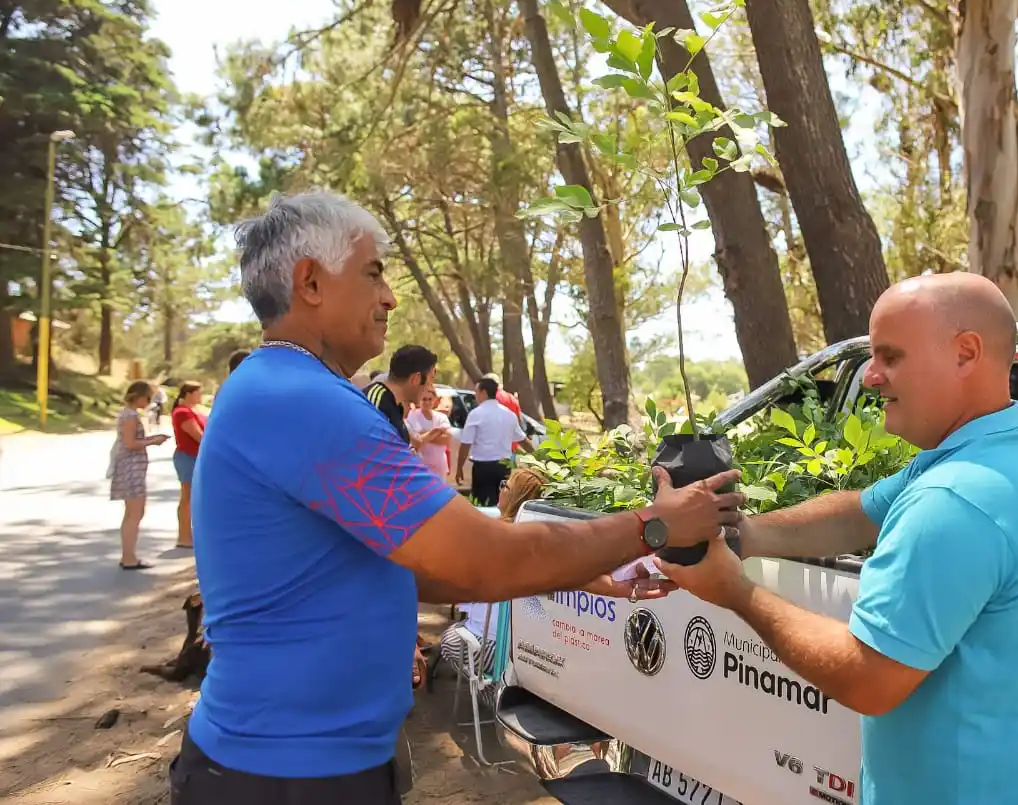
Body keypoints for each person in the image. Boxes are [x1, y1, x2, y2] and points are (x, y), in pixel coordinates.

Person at [174, 190, 743, 805]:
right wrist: (654, 525)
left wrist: (592, 572)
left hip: (290, 763)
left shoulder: (276, 387)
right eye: (373, 273)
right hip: (284, 776)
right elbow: (484, 560)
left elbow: (412, 565)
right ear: (310, 281)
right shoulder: (305, 401)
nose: (389, 297)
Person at [659, 272, 1018, 805]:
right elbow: (859, 514)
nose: (871, 376)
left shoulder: (955, 499)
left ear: (966, 353)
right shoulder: (1003, 451)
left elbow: (868, 678)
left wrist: (734, 590)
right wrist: (745, 534)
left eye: (891, 356)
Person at [109, 380, 170, 570]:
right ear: (138, 396)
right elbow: (130, 443)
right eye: (147, 397)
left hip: (132, 467)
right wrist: (152, 441)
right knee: (135, 512)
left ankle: (128, 555)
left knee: (133, 513)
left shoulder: (129, 413)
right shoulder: (130, 416)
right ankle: (129, 557)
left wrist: (151, 439)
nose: (148, 402)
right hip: (131, 468)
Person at [455, 376, 531, 506]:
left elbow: (466, 444)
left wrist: (459, 467)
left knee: (483, 506)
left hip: (483, 469)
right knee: (503, 505)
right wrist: (539, 457)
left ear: (483, 392)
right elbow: (523, 440)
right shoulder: (509, 414)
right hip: (504, 468)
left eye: (476, 392)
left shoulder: (476, 414)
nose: (475, 396)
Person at [363, 344, 436, 448]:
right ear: (416, 379)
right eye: (431, 379)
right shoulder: (375, 402)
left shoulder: (396, 408)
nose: (430, 387)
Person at [170, 382, 206, 549]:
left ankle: (190, 534)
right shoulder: (182, 412)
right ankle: (184, 536)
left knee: (194, 497)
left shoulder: (194, 411)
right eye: (198, 393)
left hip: (195, 457)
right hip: (188, 457)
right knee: (187, 497)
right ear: (189, 394)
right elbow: (198, 436)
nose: (201, 396)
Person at [406, 386, 451, 480]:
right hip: (420, 463)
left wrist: (424, 434)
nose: (427, 402)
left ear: (434, 400)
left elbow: (446, 439)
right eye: (424, 399)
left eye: (430, 399)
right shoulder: (413, 415)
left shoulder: (441, 417)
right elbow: (415, 440)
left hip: (439, 464)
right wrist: (436, 432)